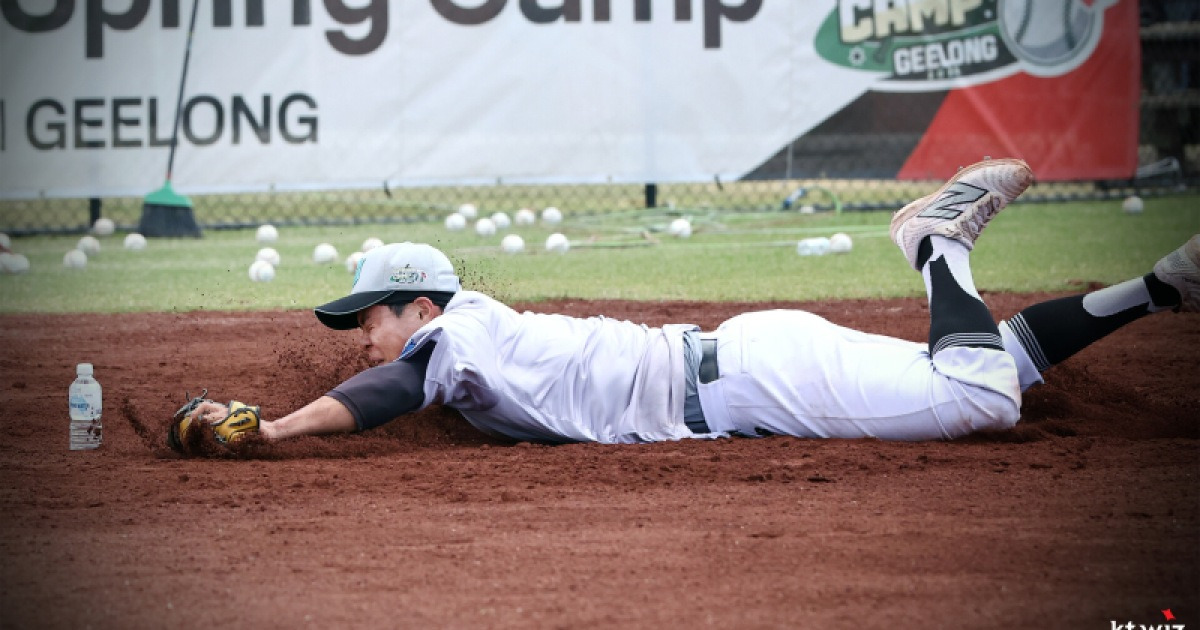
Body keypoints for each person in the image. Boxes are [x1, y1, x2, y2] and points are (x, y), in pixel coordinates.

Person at [169, 159, 1199, 452]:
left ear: (420, 303)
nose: (359, 339)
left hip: (756, 380)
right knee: (984, 365)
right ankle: (1161, 289)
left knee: (979, 398)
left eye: (367, 317)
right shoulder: (473, 342)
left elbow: (396, 386)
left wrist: (273, 435)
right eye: (351, 325)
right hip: (745, 360)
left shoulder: (458, 330)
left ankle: (935, 242)